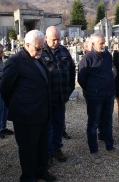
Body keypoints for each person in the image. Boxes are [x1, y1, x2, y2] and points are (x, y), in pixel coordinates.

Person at [0, 30, 56, 182]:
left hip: (42, 113)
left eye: (42, 48)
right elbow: (5, 89)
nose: (41, 51)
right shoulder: (15, 61)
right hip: (25, 115)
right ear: (27, 45)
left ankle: (41, 171)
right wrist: (19, 107)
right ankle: (28, 177)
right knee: (28, 150)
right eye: (38, 48)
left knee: (42, 146)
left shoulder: (37, 58)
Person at [78, 33, 119, 165]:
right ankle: (94, 151)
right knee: (93, 124)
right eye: (101, 43)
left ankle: (110, 147)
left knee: (108, 122)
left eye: (104, 42)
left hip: (108, 95)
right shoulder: (86, 59)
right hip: (95, 96)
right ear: (92, 44)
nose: (104, 45)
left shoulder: (108, 56)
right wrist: (93, 89)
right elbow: (81, 79)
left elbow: (111, 71)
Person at [42, 26, 75, 163]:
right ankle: (48, 153)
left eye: (58, 39)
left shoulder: (63, 50)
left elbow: (72, 69)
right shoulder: (41, 52)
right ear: (46, 38)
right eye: (53, 40)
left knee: (58, 124)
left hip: (61, 96)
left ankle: (57, 148)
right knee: (47, 126)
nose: (56, 42)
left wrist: (69, 90)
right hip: (47, 98)